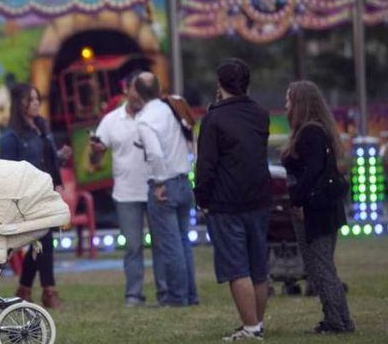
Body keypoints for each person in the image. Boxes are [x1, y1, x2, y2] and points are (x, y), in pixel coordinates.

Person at [194, 59, 272, 341]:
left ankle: (250, 329)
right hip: (260, 199)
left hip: (226, 203)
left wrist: (202, 197)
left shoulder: (214, 118)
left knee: (237, 268)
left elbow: (206, 165)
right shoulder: (260, 114)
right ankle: (257, 324)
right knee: (258, 268)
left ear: (220, 85)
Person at [282, 81, 354, 335]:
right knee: (322, 266)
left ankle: (337, 321)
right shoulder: (318, 130)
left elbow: (312, 170)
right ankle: (340, 319)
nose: (286, 105)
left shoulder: (310, 133)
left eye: (289, 99)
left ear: (300, 103)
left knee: (320, 267)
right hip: (324, 207)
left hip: (314, 210)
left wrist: (297, 199)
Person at [0, 83, 71, 310]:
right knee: (44, 240)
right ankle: (49, 291)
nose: (35, 104)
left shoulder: (42, 127)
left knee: (40, 242)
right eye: (30, 100)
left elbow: (44, 160)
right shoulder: (11, 136)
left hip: (45, 192)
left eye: (37, 99)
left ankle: (24, 289)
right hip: (26, 197)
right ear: (19, 103)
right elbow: (9, 171)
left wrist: (59, 157)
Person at [134, 71, 198, 307]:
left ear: (138, 93)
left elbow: (154, 153)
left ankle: (177, 297)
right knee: (183, 242)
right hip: (183, 179)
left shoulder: (145, 119)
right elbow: (191, 135)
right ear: (159, 88)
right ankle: (191, 295)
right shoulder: (174, 105)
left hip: (165, 183)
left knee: (170, 246)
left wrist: (160, 183)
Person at [91, 71, 154, 307]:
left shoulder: (155, 116)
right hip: (126, 193)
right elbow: (95, 160)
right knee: (132, 247)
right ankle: (134, 294)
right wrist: (95, 151)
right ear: (126, 90)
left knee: (163, 245)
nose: (140, 95)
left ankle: (169, 293)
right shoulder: (110, 120)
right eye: (136, 89)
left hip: (156, 189)